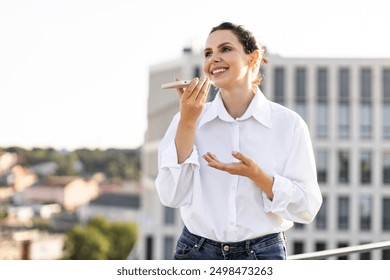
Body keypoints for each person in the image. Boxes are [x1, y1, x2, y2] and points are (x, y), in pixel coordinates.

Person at [155, 22, 322, 260]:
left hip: (262, 255)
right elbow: (171, 196)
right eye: (208, 53)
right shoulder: (187, 117)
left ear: (252, 58)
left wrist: (258, 176)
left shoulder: (288, 124)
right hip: (196, 253)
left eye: (225, 49)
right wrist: (188, 122)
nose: (214, 59)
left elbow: (307, 207)